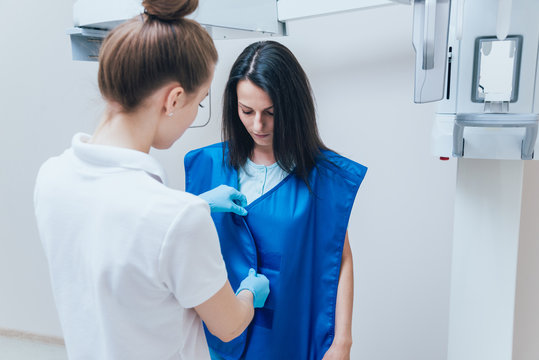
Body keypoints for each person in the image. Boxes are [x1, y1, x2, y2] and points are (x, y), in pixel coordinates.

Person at [33, 1, 270, 359]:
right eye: (199, 102)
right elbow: (230, 324)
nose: (193, 116)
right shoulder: (178, 218)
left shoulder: (51, 177)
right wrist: (251, 291)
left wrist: (197, 204)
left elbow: (117, 233)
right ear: (174, 99)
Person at [184, 41, 367, 360]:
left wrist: (342, 343)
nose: (258, 125)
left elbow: (340, 259)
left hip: (288, 335)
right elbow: (180, 248)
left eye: (270, 112)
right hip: (219, 337)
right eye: (247, 111)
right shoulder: (208, 167)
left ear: (293, 106)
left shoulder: (323, 177)